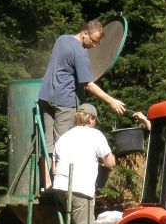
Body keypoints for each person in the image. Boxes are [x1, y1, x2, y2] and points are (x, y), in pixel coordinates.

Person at [38, 20, 126, 161]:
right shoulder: (80, 53)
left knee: (47, 146)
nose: (94, 45)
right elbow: (88, 85)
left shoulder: (62, 39)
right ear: (85, 33)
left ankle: (47, 182)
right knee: (63, 146)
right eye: (94, 41)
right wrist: (111, 101)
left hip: (45, 97)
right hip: (64, 103)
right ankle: (61, 181)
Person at [51, 103, 115, 224]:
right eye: (95, 120)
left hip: (61, 188)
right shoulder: (95, 135)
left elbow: (54, 168)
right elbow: (110, 163)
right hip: (80, 190)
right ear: (91, 118)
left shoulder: (64, 137)